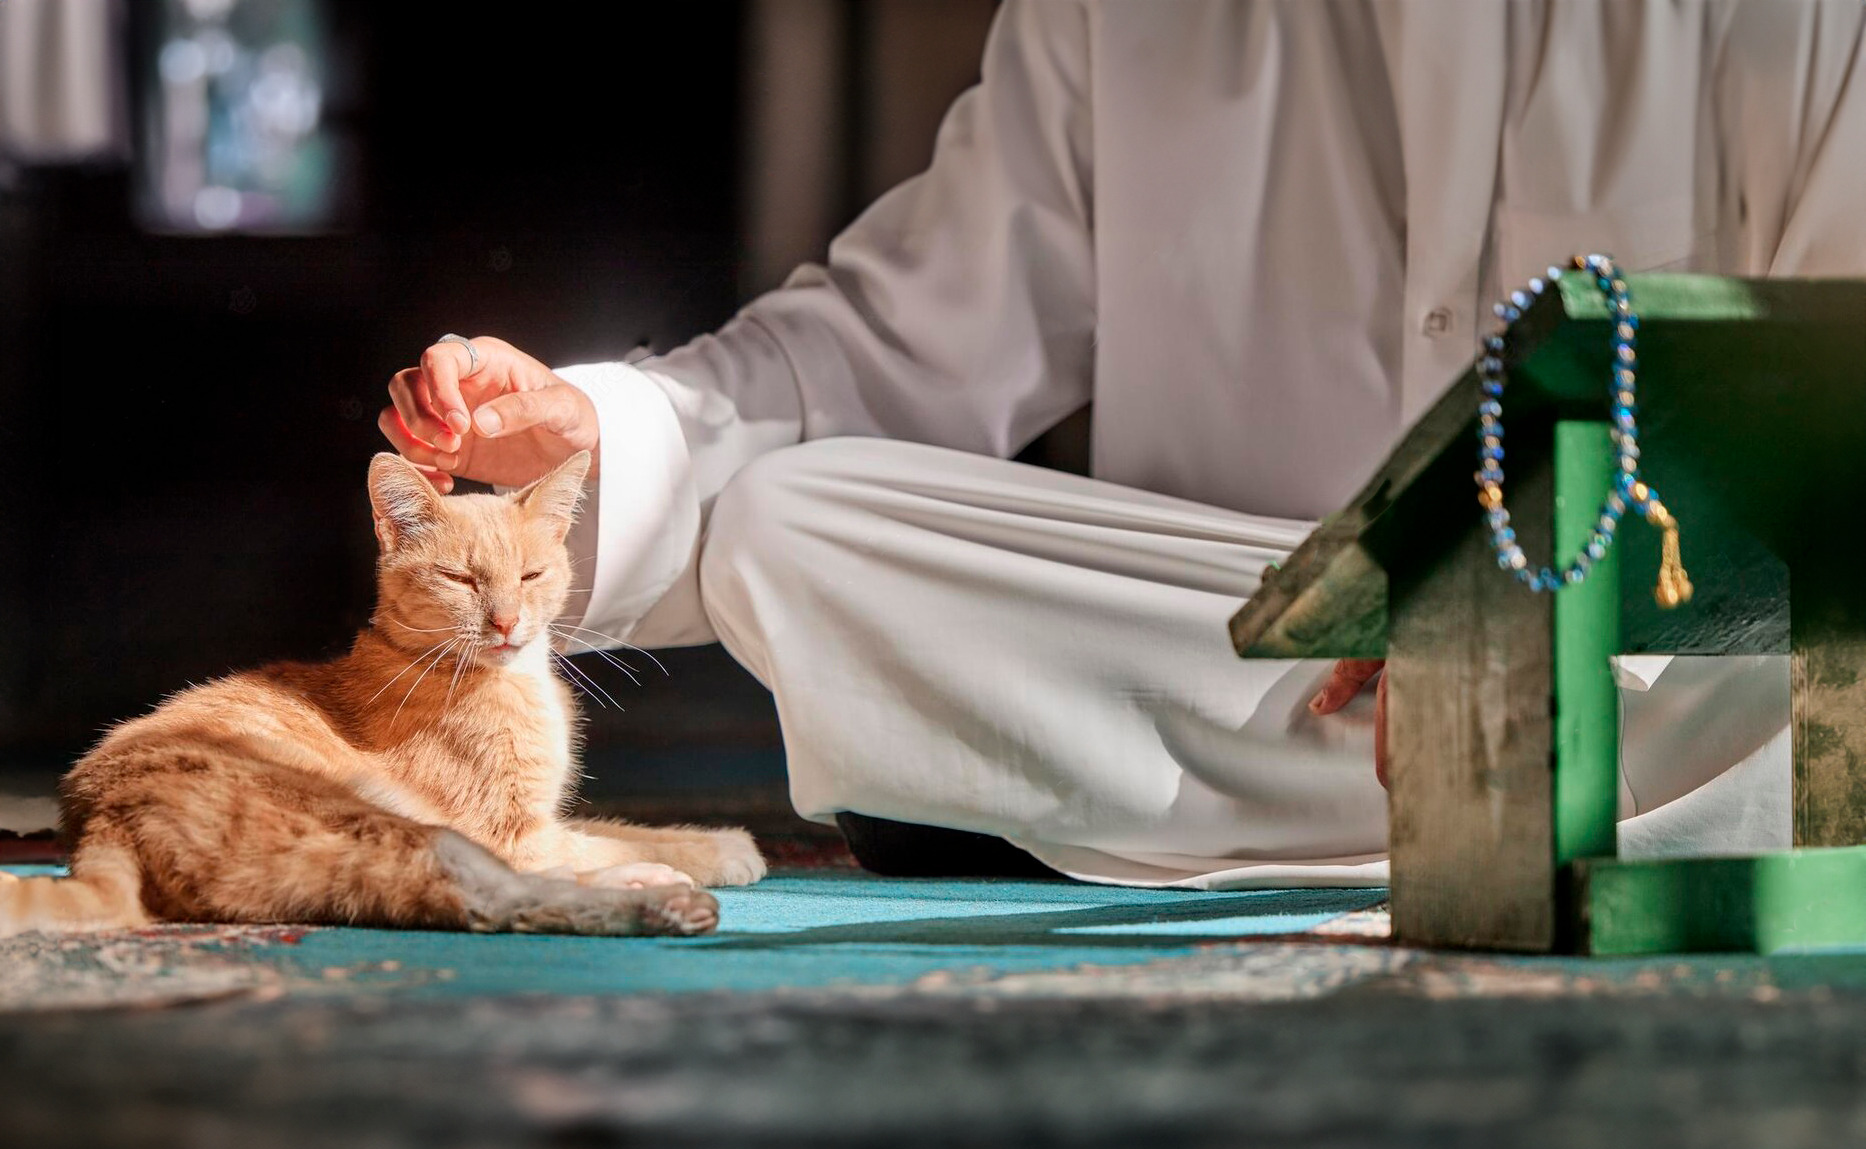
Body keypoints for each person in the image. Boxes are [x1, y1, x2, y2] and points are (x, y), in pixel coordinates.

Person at [379, 1, 1865, 889]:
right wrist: (608, 435)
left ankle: (1129, 805)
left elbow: (1828, 413)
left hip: (1654, 674)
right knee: (793, 521)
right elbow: (897, 351)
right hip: (1247, 651)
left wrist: (1523, 607)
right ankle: (1388, 807)